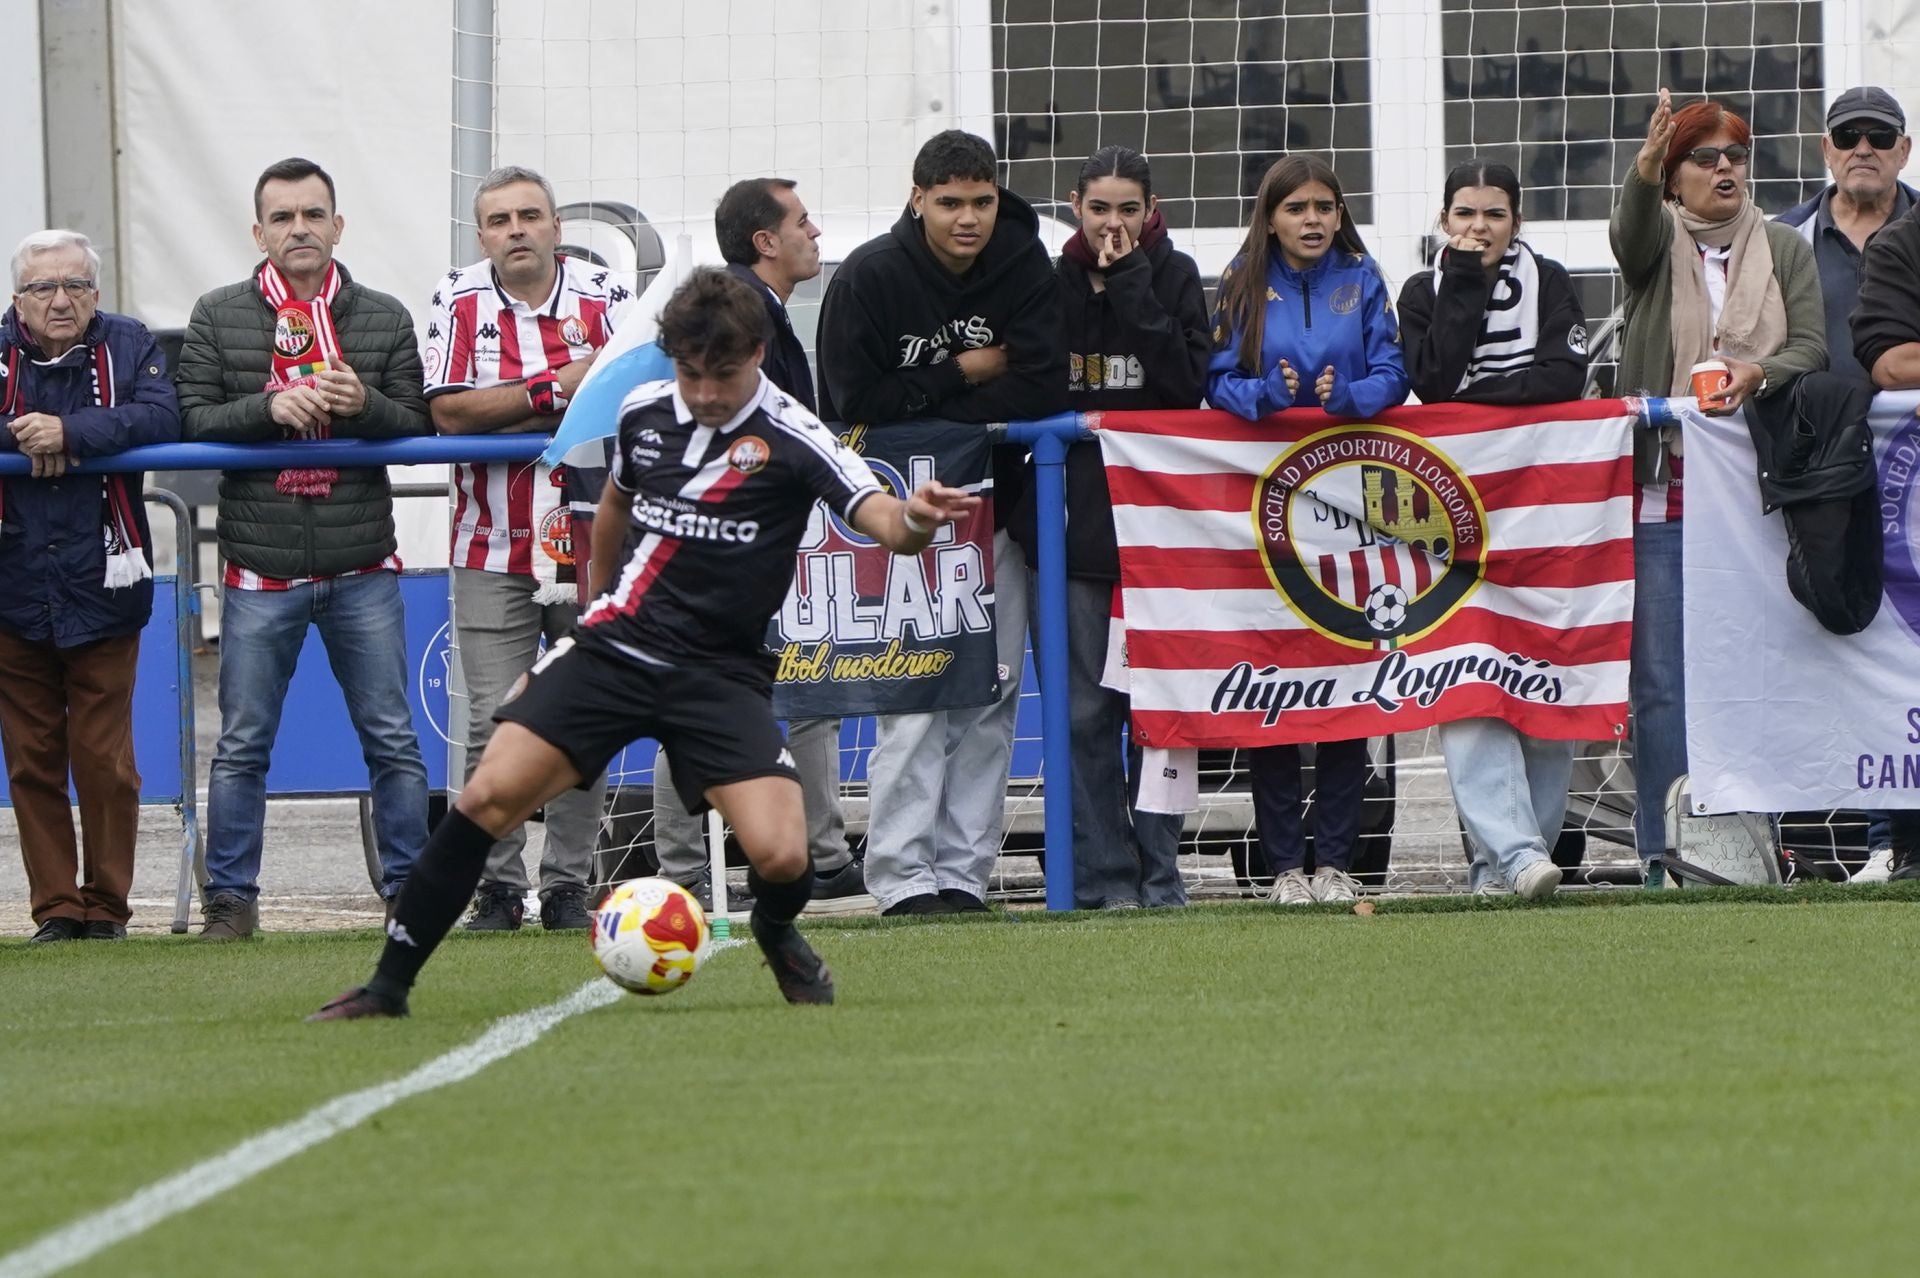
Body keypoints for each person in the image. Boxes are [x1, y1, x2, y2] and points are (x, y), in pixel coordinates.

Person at [307, 268, 981, 1018]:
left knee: (785, 856)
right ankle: (388, 985)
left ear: (757, 352)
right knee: (486, 795)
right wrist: (595, 612)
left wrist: (919, 518)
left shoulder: (793, 433)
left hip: (719, 674)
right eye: (689, 373)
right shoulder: (643, 413)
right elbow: (616, 508)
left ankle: (774, 928)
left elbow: (884, 522)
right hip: (616, 648)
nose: (704, 393)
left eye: (721, 375)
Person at [176, 157, 433, 939]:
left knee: (392, 739)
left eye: (312, 215)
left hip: (364, 566)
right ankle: (230, 899)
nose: (299, 229)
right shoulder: (218, 315)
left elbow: (420, 423)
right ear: (258, 232)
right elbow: (190, 421)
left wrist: (367, 406)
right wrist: (267, 405)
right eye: (282, 217)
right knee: (243, 744)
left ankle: (410, 891)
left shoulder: (382, 316)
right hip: (260, 568)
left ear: (338, 226)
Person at [815, 129, 1066, 916]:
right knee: (915, 700)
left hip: (1001, 511)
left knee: (992, 698)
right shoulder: (868, 277)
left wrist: (928, 398)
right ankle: (900, 878)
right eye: (951, 202)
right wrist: (964, 370)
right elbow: (853, 403)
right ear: (917, 197)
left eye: (982, 201)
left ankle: (963, 874)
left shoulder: (1027, 264)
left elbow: (1040, 387)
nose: (969, 218)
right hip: (903, 520)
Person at [1609, 91, 1827, 885]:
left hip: (1759, 498)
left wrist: (1757, 372)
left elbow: (1811, 347)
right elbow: (1625, 235)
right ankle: (1665, 854)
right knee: (1663, 682)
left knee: (1755, 673)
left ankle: (1757, 852)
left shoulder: (1784, 248)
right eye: (1706, 157)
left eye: (1736, 154)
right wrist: (1641, 168)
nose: (1727, 168)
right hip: (1665, 493)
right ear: (1674, 178)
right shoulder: (1654, 243)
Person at [649, 176, 872, 913]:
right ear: (764, 241)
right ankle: (691, 872)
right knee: (708, 696)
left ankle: (816, 851)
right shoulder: (742, 317)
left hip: (755, 543)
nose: (817, 236)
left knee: (795, 695)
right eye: (804, 223)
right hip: (736, 547)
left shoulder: (764, 310)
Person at [1007, 145, 1209, 909]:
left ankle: (1162, 875)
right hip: (1071, 538)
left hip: (1164, 534)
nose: (1114, 225)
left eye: (1129, 210)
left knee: (1163, 713)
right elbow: (1033, 383)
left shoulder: (1177, 274)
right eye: (1100, 210)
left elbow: (1183, 384)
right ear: (1074, 205)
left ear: (1152, 208)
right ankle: (1104, 878)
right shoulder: (1044, 282)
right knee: (1086, 714)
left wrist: (1131, 284)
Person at [422, 165, 621, 933]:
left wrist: (507, 405)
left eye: (529, 216)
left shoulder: (608, 297)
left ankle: (569, 883)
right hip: (488, 542)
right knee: (490, 725)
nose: (516, 231)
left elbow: (630, 395)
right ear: (482, 235)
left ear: (556, 226)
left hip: (591, 542)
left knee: (584, 715)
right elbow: (449, 414)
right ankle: (497, 887)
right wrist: (554, 388)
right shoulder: (457, 296)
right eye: (500, 220)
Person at [1206, 154, 1408, 905]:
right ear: (1271, 217)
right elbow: (1215, 378)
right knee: (1279, 685)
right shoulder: (1238, 281)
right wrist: (1266, 396)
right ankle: (1285, 866)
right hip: (1267, 506)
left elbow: (1395, 370)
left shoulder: (1365, 277)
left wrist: (1349, 397)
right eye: (1297, 208)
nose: (1313, 219)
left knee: (1349, 685)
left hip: (1352, 505)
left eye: (1325, 205)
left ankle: (1338, 863)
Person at [1397, 160, 1589, 899]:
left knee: (1543, 670)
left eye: (1495, 215)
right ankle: (1514, 854)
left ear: (1517, 221)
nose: (1480, 227)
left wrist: (1483, 404)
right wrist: (1466, 288)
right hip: (1454, 514)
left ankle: (1506, 865)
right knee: (1467, 673)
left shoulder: (1555, 281)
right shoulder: (1422, 292)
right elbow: (1435, 384)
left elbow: (1559, 379)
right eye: (1466, 213)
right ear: (1446, 218)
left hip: (1546, 504)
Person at [0, 230, 179, 943]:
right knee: (32, 760)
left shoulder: (131, 342)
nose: (60, 299)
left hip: (105, 580)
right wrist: (23, 437)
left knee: (106, 763)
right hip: (13, 582)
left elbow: (164, 416)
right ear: (18, 298)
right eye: (44, 287)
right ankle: (56, 910)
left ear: (96, 295)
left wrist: (70, 432)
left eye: (75, 285)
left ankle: (105, 907)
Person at [1775, 87, 1913, 882]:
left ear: (1903, 148)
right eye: (1847, 135)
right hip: (1819, 477)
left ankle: (1894, 839)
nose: (1863, 146)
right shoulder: (1784, 236)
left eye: (1879, 135)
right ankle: (1827, 843)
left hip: (1911, 476)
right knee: (1831, 641)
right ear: (1826, 149)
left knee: (1906, 646)